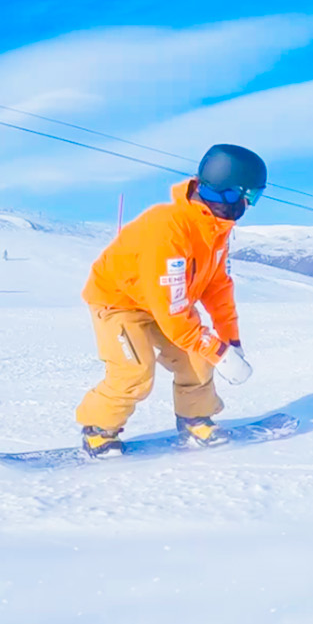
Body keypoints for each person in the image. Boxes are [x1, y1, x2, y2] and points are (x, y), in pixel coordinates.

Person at [75, 143, 265, 457]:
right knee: (134, 370)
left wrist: (230, 340)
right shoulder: (168, 229)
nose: (250, 205)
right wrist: (218, 351)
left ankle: (195, 420)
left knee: (196, 360)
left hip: (164, 302)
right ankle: (98, 430)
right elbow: (174, 314)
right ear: (232, 192)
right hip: (120, 301)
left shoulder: (215, 230)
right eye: (251, 196)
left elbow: (217, 288)